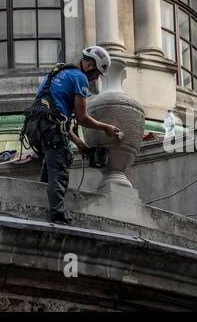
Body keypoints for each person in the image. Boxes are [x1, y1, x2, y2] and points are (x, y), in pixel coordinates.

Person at [22, 46, 123, 224]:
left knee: (50, 165)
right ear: (90, 65)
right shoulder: (80, 78)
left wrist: (79, 143)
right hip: (50, 128)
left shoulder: (58, 72)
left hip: (34, 126)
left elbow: (55, 117)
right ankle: (58, 216)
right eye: (97, 73)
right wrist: (106, 127)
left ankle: (43, 210)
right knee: (59, 170)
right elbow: (82, 118)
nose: (95, 78)